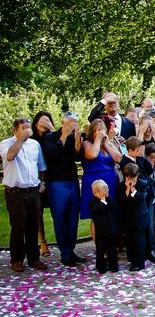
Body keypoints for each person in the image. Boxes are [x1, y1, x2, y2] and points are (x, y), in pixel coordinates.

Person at [0, 117, 48, 272]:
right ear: (15, 130)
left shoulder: (35, 145)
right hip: (15, 192)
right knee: (18, 227)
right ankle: (17, 259)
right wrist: (20, 139)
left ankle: (34, 258)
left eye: (29, 128)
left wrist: (42, 182)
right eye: (23, 128)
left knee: (33, 226)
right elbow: (10, 156)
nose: (28, 131)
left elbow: (40, 165)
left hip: (33, 191)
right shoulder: (6, 144)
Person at [41, 111, 84, 266]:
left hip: (72, 180)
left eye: (75, 121)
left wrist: (77, 137)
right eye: (71, 121)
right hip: (56, 182)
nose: (73, 124)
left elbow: (78, 157)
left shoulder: (76, 136)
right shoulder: (50, 137)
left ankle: (71, 250)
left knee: (73, 217)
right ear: (63, 122)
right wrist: (64, 135)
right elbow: (53, 155)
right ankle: (65, 253)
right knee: (60, 217)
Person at [80, 120, 123, 231]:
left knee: (111, 211)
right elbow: (92, 154)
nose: (100, 133)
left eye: (102, 130)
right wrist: (98, 140)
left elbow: (119, 159)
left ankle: (112, 243)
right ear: (92, 132)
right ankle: (98, 245)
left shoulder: (108, 143)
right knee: (96, 215)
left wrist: (107, 145)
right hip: (94, 181)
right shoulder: (86, 144)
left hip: (110, 181)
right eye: (97, 130)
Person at [118, 162, 151, 271]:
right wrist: (127, 189)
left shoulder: (143, 184)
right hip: (128, 218)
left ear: (138, 175)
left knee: (140, 242)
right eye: (128, 177)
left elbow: (141, 199)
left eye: (133, 177)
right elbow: (122, 201)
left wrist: (133, 189)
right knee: (130, 241)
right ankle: (132, 261)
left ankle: (140, 263)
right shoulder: (121, 186)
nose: (130, 179)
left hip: (140, 218)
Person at [31, 111, 55, 259]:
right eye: (43, 121)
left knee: (55, 211)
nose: (45, 123)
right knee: (37, 212)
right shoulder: (31, 140)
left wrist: (52, 129)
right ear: (36, 123)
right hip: (37, 179)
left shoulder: (52, 137)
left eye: (48, 120)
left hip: (53, 177)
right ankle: (42, 242)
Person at [89, 179, 119, 273]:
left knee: (112, 250)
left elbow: (114, 206)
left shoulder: (108, 200)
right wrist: (102, 200)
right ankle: (101, 266)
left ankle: (113, 265)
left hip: (111, 230)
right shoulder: (93, 202)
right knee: (101, 250)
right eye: (103, 193)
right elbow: (99, 208)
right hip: (101, 231)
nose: (105, 194)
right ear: (95, 193)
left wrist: (107, 197)